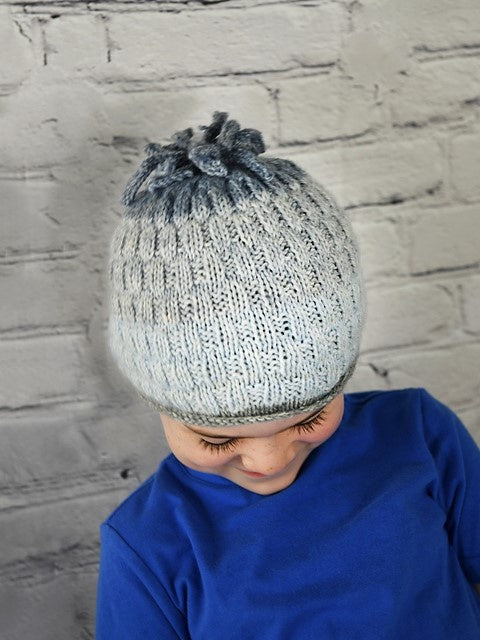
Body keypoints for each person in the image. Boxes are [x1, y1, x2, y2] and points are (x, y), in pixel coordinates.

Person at [95, 110, 480, 638]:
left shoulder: (420, 435)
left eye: (308, 419)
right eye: (216, 438)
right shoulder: (147, 546)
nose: (269, 460)